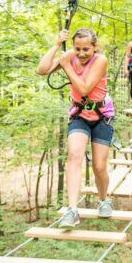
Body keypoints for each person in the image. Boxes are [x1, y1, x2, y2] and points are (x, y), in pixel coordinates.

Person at [36, 28, 115, 228]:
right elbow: (42, 70)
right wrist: (56, 45)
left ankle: (104, 199)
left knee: (99, 166)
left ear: (94, 47)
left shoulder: (100, 61)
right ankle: (72, 210)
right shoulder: (70, 56)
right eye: (77, 49)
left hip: (101, 116)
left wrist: (66, 66)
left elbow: (85, 88)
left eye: (86, 49)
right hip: (79, 115)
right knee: (74, 155)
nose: (81, 54)